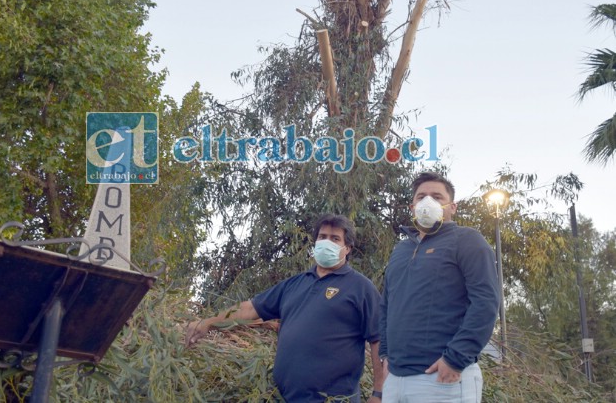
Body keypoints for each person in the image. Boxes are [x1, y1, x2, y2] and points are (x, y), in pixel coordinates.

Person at [186, 214, 384, 403]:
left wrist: (379, 393)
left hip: (333, 399)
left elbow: (379, 339)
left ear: (347, 248)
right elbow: (250, 309)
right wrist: (208, 323)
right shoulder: (294, 285)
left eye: (335, 238)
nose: (327, 242)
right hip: (284, 397)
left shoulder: (361, 288)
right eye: (322, 237)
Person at [378, 172, 501, 402]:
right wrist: (385, 356)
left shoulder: (467, 240)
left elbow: (485, 303)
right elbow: (386, 306)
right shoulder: (400, 250)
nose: (428, 201)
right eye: (421, 196)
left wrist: (455, 359)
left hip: (442, 381)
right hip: (395, 380)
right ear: (412, 206)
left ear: (452, 206)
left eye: (436, 196)